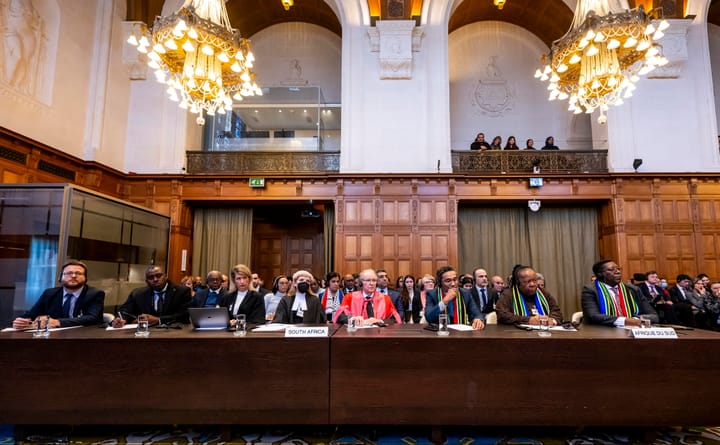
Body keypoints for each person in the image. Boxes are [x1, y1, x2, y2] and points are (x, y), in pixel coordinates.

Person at [13, 260, 105, 329]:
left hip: (84, 337)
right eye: (69, 273)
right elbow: (32, 314)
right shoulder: (49, 293)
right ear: (60, 277)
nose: (73, 276)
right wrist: (21, 321)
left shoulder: (95, 294)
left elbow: (92, 318)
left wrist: (57, 322)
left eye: (78, 273)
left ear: (85, 278)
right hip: (53, 337)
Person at [581, 260, 658, 327]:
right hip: (602, 332)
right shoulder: (590, 290)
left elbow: (654, 316)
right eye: (611, 270)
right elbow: (593, 316)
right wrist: (624, 321)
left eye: (618, 269)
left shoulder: (633, 289)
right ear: (600, 274)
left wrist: (635, 319)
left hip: (632, 331)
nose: (618, 272)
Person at [113, 266, 191, 327]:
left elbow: (184, 315)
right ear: (146, 281)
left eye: (158, 275)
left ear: (165, 276)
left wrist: (158, 320)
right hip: (145, 333)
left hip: (173, 334)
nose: (155, 279)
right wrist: (120, 319)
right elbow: (124, 311)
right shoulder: (138, 294)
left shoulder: (182, 291)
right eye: (151, 277)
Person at [496, 265, 562, 326]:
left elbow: (557, 311)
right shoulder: (508, 295)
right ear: (518, 283)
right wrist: (528, 320)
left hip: (545, 333)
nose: (532, 284)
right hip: (518, 334)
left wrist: (552, 320)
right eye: (528, 281)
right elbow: (502, 315)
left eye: (535, 280)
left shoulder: (543, 293)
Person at [333, 269, 402, 325]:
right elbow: (339, 316)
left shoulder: (385, 299)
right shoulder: (350, 297)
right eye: (368, 280)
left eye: (374, 280)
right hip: (355, 335)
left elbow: (395, 318)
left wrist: (379, 321)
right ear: (361, 283)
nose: (371, 283)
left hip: (379, 335)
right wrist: (352, 318)